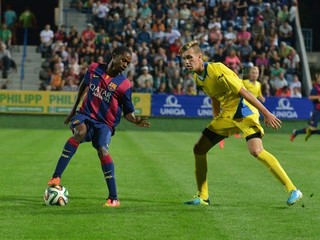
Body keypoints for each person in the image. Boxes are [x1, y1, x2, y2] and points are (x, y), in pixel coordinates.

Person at [179, 40, 302, 206]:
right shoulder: (197, 77)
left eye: (189, 57)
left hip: (242, 112)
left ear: (200, 57)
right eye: (183, 59)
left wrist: (266, 113)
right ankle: (203, 197)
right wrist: (216, 121)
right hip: (226, 115)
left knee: (256, 151)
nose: (186, 62)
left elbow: (243, 92)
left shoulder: (217, 69)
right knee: (199, 149)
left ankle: (293, 189)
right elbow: (214, 98)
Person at [47, 46, 151, 207]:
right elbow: (83, 85)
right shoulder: (95, 68)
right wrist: (73, 110)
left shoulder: (124, 85)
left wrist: (136, 120)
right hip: (85, 115)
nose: (125, 64)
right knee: (79, 132)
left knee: (102, 149)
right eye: (123, 60)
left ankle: (113, 198)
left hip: (105, 124)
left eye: (128, 62)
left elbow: (128, 112)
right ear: (114, 55)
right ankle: (56, 177)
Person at [290, 73, 320, 142]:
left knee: (312, 130)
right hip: (317, 110)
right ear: (317, 79)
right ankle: (296, 132)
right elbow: (310, 97)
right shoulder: (315, 88)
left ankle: (296, 132)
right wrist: (318, 97)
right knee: (311, 129)